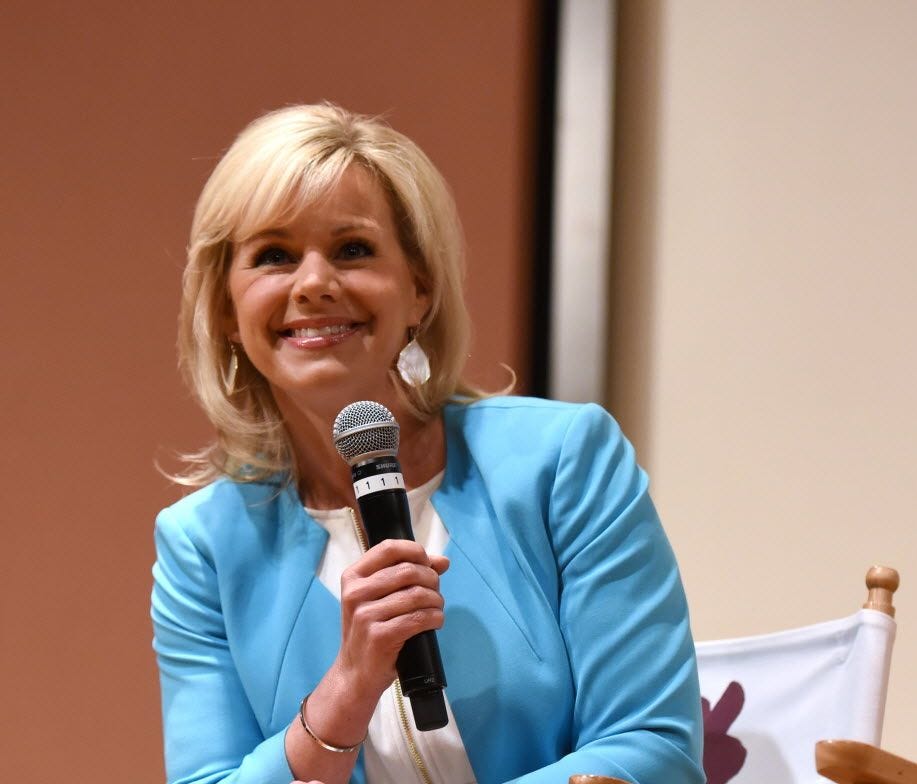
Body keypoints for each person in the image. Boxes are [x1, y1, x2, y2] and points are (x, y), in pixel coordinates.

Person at [151, 103, 704, 784]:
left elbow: (651, 748)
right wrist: (341, 698)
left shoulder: (561, 461)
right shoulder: (202, 543)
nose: (314, 283)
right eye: (274, 257)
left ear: (418, 289)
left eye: (352, 249)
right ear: (225, 312)